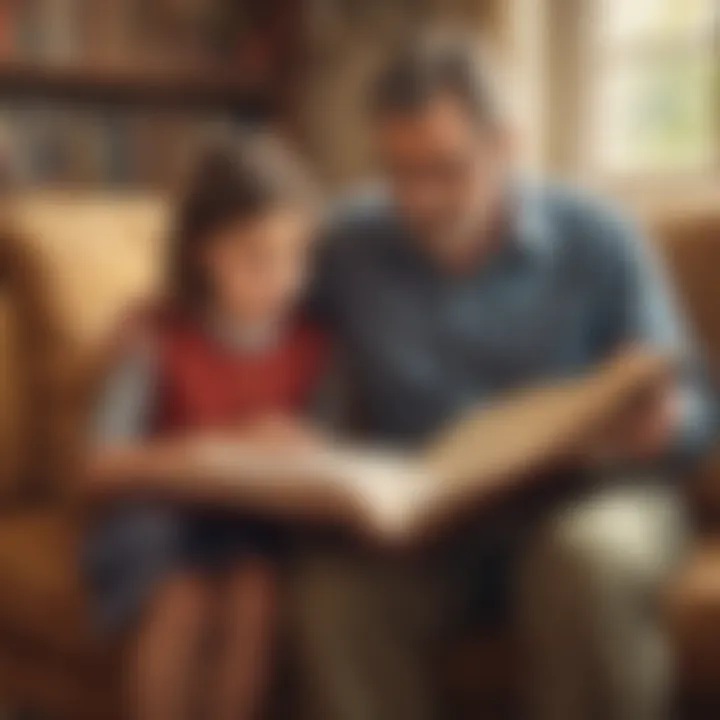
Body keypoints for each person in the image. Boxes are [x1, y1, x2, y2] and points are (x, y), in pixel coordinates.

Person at [291, 34, 714, 720]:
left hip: (587, 501)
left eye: (446, 170)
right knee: (334, 593)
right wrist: (159, 328)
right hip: (433, 520)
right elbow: (246, 319)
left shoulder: (600, 236)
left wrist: (666, 422)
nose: (420, 200)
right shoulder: (349, 245)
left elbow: (694, 409)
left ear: (508, 146)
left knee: (585, 563)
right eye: (398, 173)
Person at [81, 136, 329, 720]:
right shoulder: (155, 336)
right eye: (255, 257)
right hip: (155, 524)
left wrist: (308, 451)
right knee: (184, 597)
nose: (280, 279)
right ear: (202, 252)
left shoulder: (312, 346)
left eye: (295, 257)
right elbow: (97, 464)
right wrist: (210, 450)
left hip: (250, 526)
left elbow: (327, 453)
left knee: (256, 592)